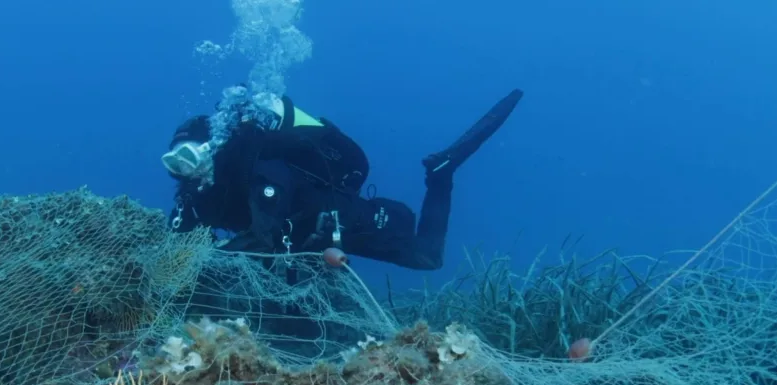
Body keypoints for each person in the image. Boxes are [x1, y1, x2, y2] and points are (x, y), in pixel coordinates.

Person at [162, 86, 523, 270]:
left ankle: (442, 173)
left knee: (426, 258)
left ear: (214, 148)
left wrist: (217, 258)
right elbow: (177, 244)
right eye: (174, 164)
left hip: (340, 221)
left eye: (189, 157)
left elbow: (262, 240)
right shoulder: (199, 195)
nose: (185, 170)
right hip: (308, 245)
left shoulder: (264, 172)